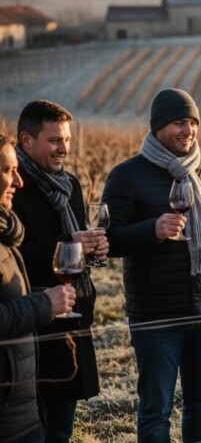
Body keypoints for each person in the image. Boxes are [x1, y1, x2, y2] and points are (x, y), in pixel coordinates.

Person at [102, 88, 201, 442]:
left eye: (193, 122)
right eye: (178, 122)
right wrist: (152, 230)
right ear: (157, 127)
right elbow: (108, 240)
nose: (188, 130)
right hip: (157, 316)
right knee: (156, 410)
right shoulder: (127, 175)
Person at [12, 100, 104, 443]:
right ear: (27, 140)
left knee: (62, 430)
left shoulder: (70, 185)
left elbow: (75, 248)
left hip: (72, 320)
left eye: (66, 139)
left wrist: (93, 250)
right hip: (31, 323)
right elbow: (14, 256)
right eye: (54, 140)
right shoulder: (12, 189)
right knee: (34, 429)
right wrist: (70, 242)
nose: (64, 148)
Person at [0, 132, 76, 443]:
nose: (18, 181)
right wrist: (44, 305)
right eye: (7, 170)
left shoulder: (5, 234)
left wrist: (37, 297)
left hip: (22, 409)